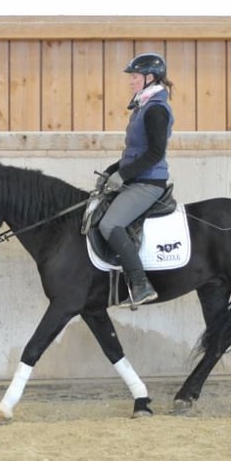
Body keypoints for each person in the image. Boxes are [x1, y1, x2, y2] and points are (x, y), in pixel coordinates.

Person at [95, 52, 175, 308]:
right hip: (136, 177)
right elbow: (134, 153)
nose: (131, 81)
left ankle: (141, 285)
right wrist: (111, 171)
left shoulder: (156, 110)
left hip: (148, 182)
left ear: (150, 78)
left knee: (109, 225)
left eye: (135, 76)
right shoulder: (142, 107)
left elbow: (154, 153)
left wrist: (123, 175)